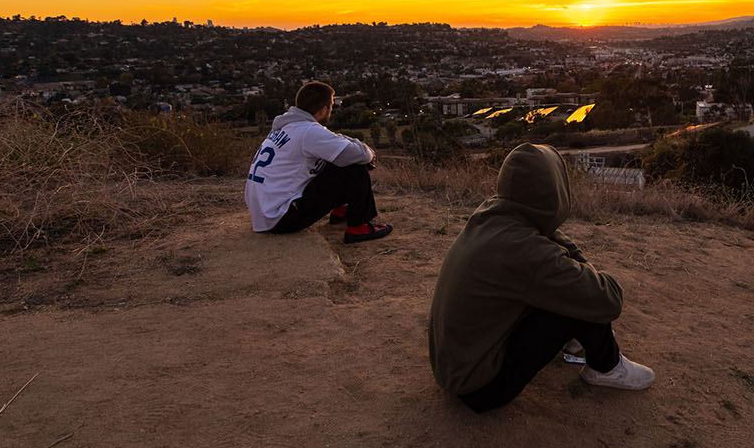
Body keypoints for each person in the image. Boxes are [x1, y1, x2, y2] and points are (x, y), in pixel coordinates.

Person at [428, 143, 654, 412]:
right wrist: (572, 256)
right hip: (480, 387)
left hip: (454, 367)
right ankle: (606, 367)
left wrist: (549, 234)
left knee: (561, 285)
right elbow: (609, 298)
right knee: (579, 294)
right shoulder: (528, 252)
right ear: (556, 190)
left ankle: (577, 341)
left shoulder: (491, 214)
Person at [244, 80, 392, 243]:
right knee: (355, 167)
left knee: (333, 157)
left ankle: (340, 210)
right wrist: (369, 153)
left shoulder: (288, 127)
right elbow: (360, 155)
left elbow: (333, 140)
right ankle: (359, 227)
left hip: (264, 213)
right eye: (330, 106)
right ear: (323, 109)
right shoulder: (309, 131)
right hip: (282, 218)